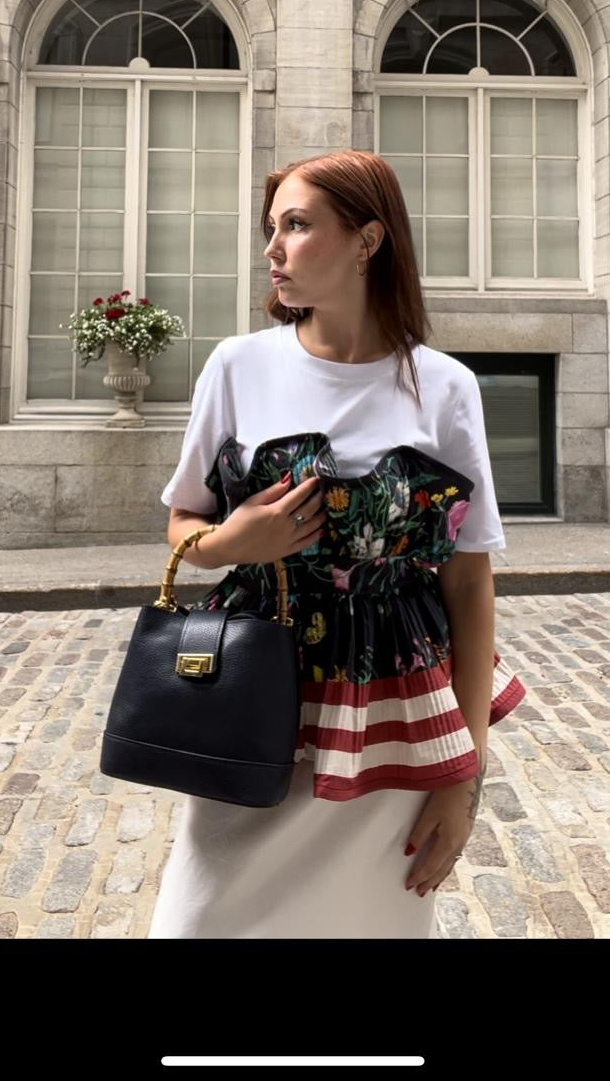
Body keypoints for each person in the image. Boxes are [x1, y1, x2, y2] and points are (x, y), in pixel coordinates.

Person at [148, 150, 525, 939]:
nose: (272, 248)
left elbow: (468, 582)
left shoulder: (444, 385)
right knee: (199, 918)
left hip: (396, 710)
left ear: (366, 240)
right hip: (256, 692)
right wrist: (231, 542)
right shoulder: (237, 365)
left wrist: (462, 782)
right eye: (271, 227)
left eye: (295, 225)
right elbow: (184, 524)